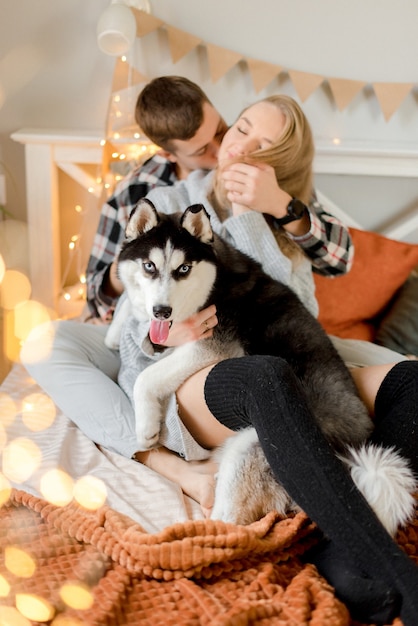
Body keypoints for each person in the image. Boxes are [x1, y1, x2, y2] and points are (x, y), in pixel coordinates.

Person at [21, 91, 416, 624]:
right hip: (207, 359)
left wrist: (273, 209)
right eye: (241, 128)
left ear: (283, 163)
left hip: (293, 344)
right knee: (50, 343)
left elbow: (289, 304)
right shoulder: (163, 192)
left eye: (263, 143)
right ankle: (161, 459)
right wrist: (158, 316)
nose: (237, 146)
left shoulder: (289, 207)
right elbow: (106, 292)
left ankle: (344, 538)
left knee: (409, 378)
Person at [86, 75, 353, 324]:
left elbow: (337, 263)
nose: (222, 150)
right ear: (168, 155)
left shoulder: (267, 181)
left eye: (221, 130)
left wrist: (280, 206)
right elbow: (98, 301)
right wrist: (133, 262)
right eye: (202, 150)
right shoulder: (139, 194)